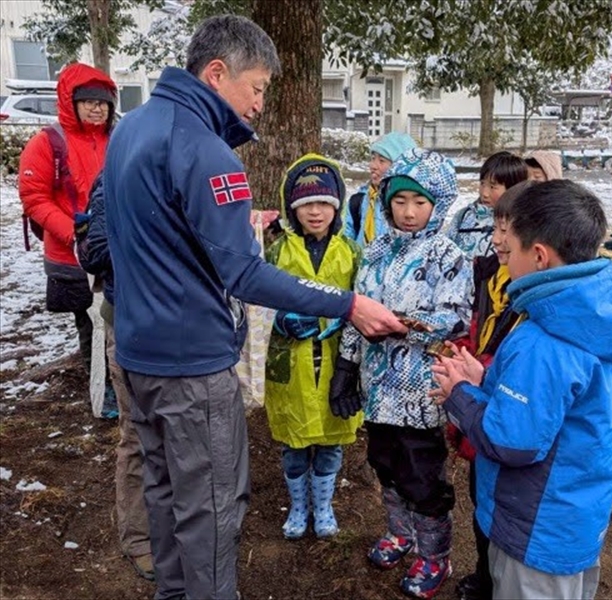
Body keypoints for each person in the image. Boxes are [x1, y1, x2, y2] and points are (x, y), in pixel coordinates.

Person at [103, 15, 405, 600]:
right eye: (258, 87)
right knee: (212, 505)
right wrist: (347, 303)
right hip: (192, 364)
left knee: (162, 490)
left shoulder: (131, 128)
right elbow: (244, 273)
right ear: (217, 74)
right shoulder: (207, 151)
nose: (261, 104)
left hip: (137, 351)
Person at [431, 180, 612, 600]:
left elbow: (512, 441)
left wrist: (459, 393)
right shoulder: (606, 314)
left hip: (534, 528)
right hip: (577, 512)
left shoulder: (544, 339)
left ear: (539, 256)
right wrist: (487, 382)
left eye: (510, 247)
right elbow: (563, 408)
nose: (502, 252)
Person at [330, 148, 473, 599]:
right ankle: (400, 533)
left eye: (419, 202)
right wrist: (346, 365)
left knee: (422, 476)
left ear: (438, 203)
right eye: (399, 201)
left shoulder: (448, 255)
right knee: (386, 465)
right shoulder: (374, 252)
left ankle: (434, 554)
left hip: (421, 392)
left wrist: (400, 325)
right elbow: (356, 312)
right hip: (378, 389)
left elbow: (456, 318)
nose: (408, 212)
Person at [262, 154, 362, 540]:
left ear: (336, 206)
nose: (315, 212)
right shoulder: (277, 252)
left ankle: (322, 505)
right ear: (293, 208)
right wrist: (279, 319)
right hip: (291, 361)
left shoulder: (350, 252)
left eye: (323, 203)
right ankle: (298, 505)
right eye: (306, 204)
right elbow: (258, 303)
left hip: (335, 360)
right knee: (294, 441)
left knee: (331, 439)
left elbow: (362, 300)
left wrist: (346, 320)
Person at [19, 62, 119, 419]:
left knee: (116, 319)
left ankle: (120, 383)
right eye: (89, 101)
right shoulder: (48, 143)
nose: (97, 108)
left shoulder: (119, 139)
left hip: (115, 250)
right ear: (70, 103)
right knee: (90, 323)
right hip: (71, 253)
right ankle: (103, 392)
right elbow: (34, 197)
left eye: (103, 102)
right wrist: (75, 233)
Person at [447, 182, 531, 600]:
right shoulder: (493, 277)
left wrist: (477, 380)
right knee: (483, 500)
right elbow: (481, 330)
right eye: (495, 228)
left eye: (505, 231)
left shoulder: (533, 305)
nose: (495, 240)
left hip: (503, 429)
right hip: (486, 416)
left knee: (504, 511)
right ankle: (485, 574)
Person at [76, 174, 153, 581]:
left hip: (182, 328)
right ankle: (139, 537)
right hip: (130, 326)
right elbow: (97, 252)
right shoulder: (116, 178)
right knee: (137, 432)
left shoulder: (192, 167)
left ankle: (178, 524)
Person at [445, 151, 528, 261]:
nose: (484, 193)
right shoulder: (463, 216)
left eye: (493, 187)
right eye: (482, 183)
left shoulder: (519, 222)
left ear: (513, 188)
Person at [344, 131, 417, 247]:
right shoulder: (359, 201)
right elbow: (345, 244)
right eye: (373, 159)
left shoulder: (416, 207)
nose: (373, 166)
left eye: (381, 161)